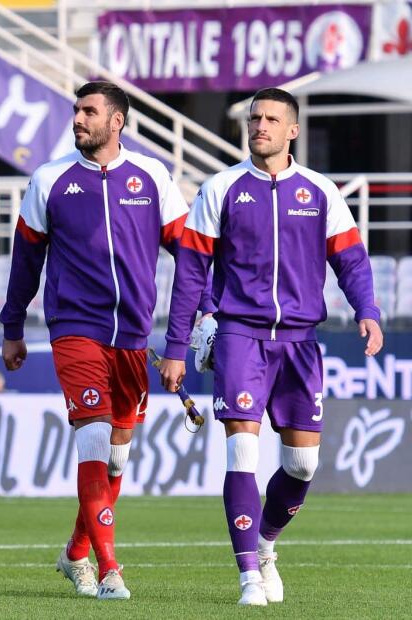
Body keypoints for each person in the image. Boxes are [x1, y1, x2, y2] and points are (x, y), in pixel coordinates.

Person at [159, 88, 384, 606]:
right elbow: (190, 274)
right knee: (242, 450)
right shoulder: (220, 188)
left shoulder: (321, 191)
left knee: (302, 466)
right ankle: (247, 577)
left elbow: (351, 260)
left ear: (293, 131)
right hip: (240, 336)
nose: (260, 125)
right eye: (254, 117)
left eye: (271, 119)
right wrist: (175, 346)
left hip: (301, 343)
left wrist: (367, 311)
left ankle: (264, 547)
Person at [0, 81, 201, 600]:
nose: (78, 118)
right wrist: (12, 327)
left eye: (89, 111)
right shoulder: (50, 179)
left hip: (133, 337)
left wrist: (195, 326)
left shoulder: (153, 176)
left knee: (116, 460)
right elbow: (26, 261)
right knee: (92, 436)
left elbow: (190, 255)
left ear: (117, 121)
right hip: (75, 329)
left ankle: (75, 553)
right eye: (76, 110)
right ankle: (110, 569)